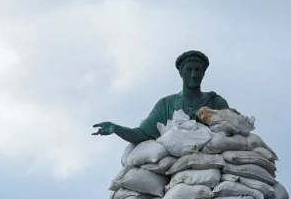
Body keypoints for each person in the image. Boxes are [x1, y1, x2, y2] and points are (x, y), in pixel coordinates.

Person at [92, 50, 230, 145]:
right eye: (189, 69)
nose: (193, 74)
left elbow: (232, 131)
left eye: (197, 70)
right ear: (181, 73)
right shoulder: (166, 105)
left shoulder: (215, 102)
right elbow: (142, 134)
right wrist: (116, 128)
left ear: (203, 73)